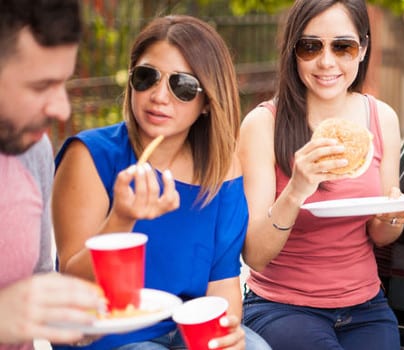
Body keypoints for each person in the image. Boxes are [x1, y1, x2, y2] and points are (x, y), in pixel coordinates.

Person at [51, 15, 269, 350]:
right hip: (105, 332)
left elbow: (223, 284)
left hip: (186, 329)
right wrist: (122, 218)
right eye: (146, 77)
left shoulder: (223, 171)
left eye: (182, 86)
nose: (159, 96)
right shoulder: (90, 155)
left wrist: (227, 336)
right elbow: (72, 277)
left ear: (209, 101)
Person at [238, 0, 404, 348]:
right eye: (310, 46)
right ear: (293, 51)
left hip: (366, 305)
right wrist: (296, 189)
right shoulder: (263, 124)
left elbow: (380, 236)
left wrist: (394, 218)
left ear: (362, 49)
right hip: (281, 306)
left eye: (343, 46)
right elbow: (254, 254)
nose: (327, 61)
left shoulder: (383, 119)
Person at [0, 0, 105, 347]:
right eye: (40, 86)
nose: (62, 109)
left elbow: (39, 279)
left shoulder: (34, 150)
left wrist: (74, 314)